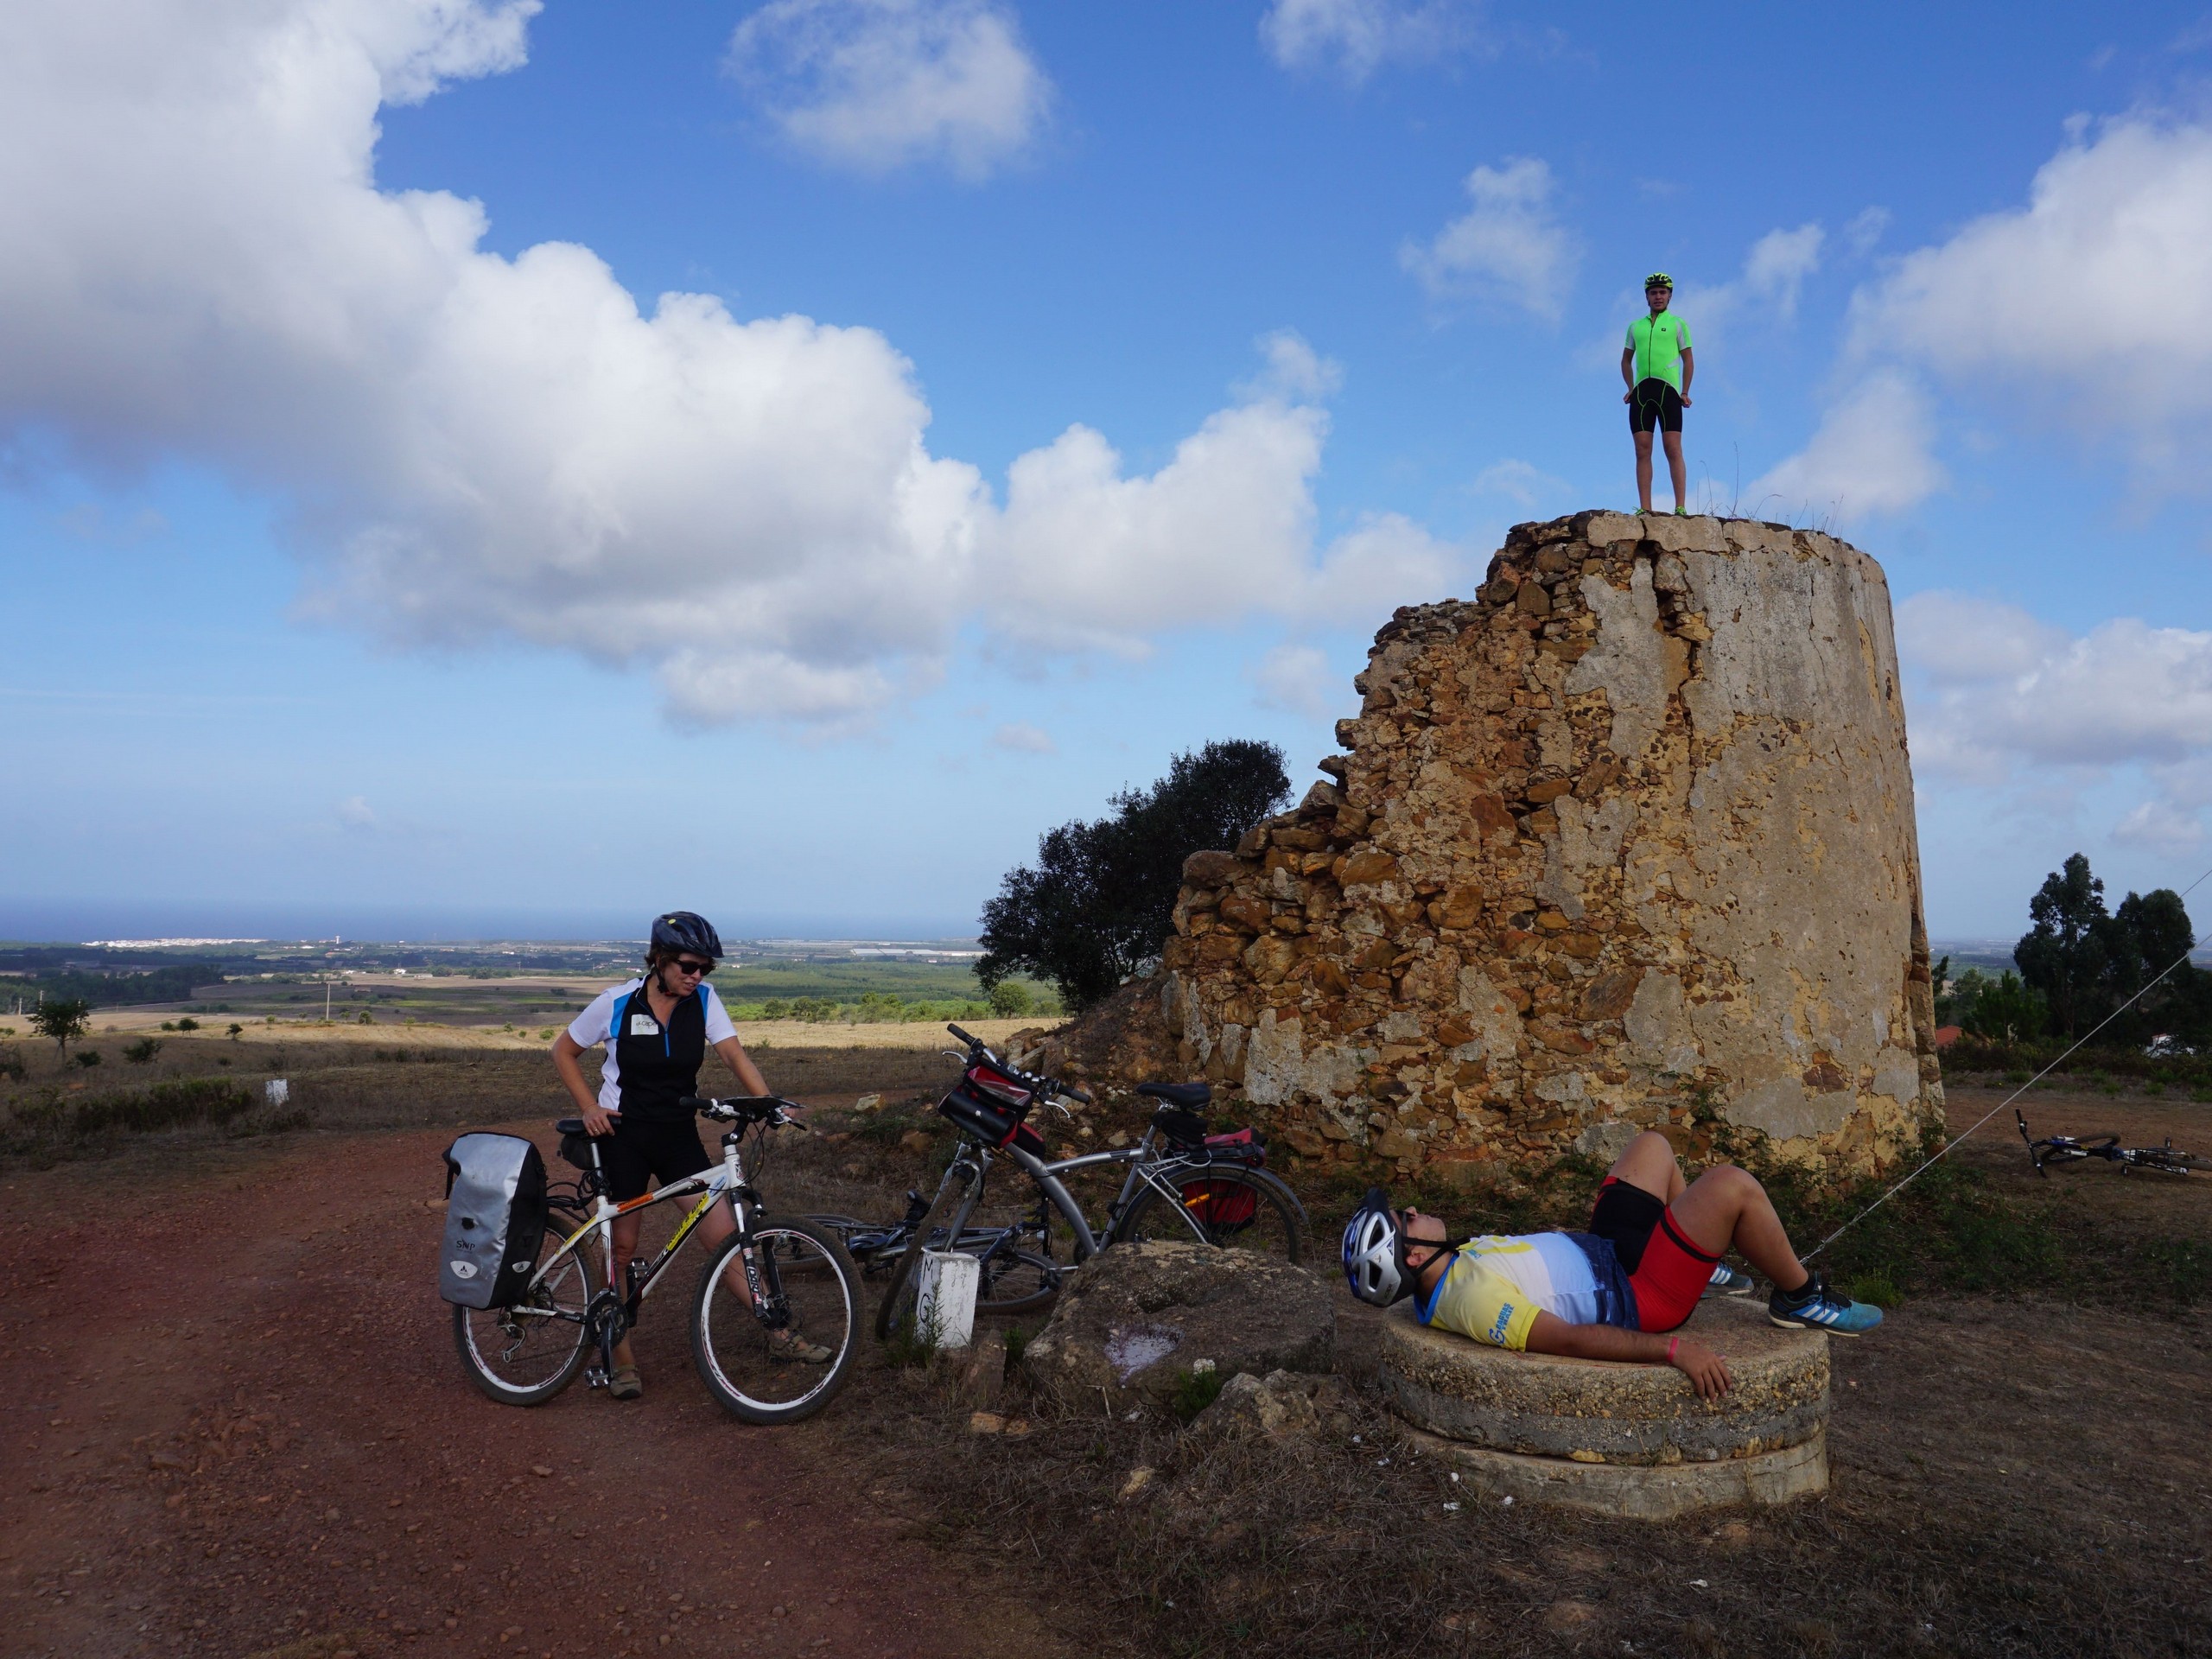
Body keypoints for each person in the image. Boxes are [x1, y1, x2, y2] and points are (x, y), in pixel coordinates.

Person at [1342, 1131, 1880, 1400]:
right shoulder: (1471, 1298)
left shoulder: (1446, 1268)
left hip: (1603, 1254)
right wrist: (1674, 1350)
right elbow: (1569, 1342)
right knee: (1731, 1186)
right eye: (1403, 1217)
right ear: (1414, 1256)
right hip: (1637, 1294)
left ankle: (1698, 1262)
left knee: (1653, 1146)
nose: (1412, 1209)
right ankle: (1800, 1296)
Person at [553, 911, 827, 1399]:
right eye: (688, 966)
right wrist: (589, 1107)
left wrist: (769, 1102)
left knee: (725, 1239)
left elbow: (733, 1055)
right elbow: (563, 1051)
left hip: (678, 1136)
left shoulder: (703, 1000)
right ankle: (620, 1354)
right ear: (659, 959)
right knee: (622, 1247)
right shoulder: (616, 1002)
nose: (697, 975)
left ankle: (780, 1334)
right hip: (624, 1137)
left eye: (705, 968)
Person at [1622, 273, 1694, 516]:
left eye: (1663, 292)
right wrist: (1630, 387)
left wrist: (1685, 391)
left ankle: (1680, 507)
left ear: (1670, 295)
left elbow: (1688, 359)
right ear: (1647, 297)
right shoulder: (1635, 327)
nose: (1658, 296)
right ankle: (1645, 508)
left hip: (1669, 391)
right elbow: (1626, 360)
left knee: (1672, 448)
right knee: (1642, 450)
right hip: (1642, 393)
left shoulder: (1677, 324)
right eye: (1653, 293)